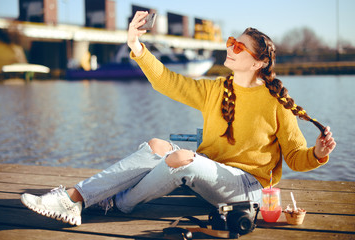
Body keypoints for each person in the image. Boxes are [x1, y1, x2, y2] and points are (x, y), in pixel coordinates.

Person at [20, 11, 336, 226]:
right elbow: (168, 81)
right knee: (158, 146)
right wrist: (136, 46)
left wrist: (319, 154)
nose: (230, 47)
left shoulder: (275, 102)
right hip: (211, 178)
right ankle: (74, 199)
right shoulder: (216, 89)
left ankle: (117, 201)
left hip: (248, 188)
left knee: (181, 159)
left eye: (238, 46)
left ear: (259, 62)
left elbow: (295, 157)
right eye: (231, 42)